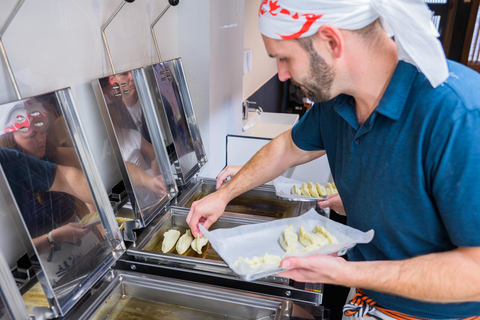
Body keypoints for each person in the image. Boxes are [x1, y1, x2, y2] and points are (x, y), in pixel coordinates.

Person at [187, 0, 480, 319]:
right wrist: (224, 194)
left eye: (284, 58)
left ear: (331, 41)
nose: (282, 75)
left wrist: (344, 274)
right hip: (369, 299)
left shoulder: (459, 116)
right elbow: (288, 147)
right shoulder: (338, 101)